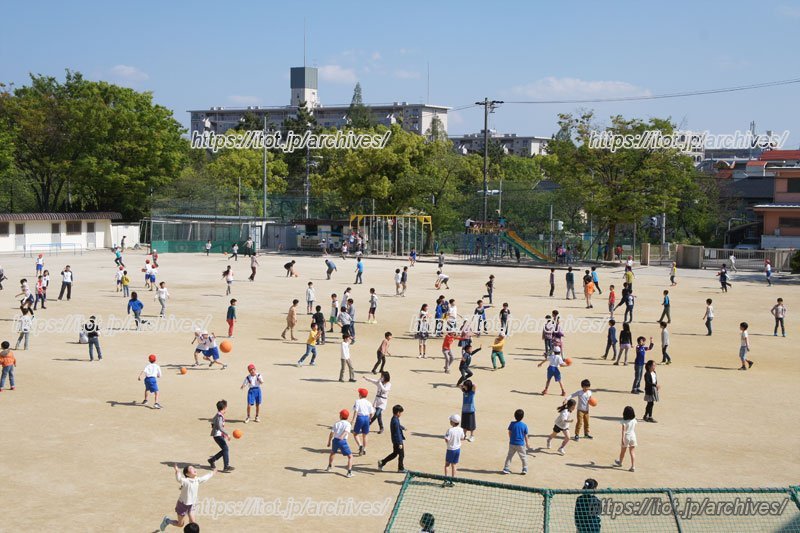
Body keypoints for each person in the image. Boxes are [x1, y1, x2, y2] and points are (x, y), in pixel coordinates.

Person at [158, 464, 215, 532]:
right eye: (191, 468)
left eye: (194, 468)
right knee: (180, 524)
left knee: (193, 524)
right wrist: (177, 470)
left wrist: (212, 473)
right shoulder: (186, 481)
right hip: (182, 505)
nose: (194, 469)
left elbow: (205, 477)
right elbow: (179, 479)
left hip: (191, 505)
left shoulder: (197, 480)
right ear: (187, 474)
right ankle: (167, 521)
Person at [378, 404, 406, 473]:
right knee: (401, 455)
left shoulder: (394, 419)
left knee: (394, 454)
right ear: (398, 413)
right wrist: (400, 443)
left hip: (395, 440)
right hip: (398, 441)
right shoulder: (395, 421)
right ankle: (400, 468)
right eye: (401, 413)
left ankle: (382, 462)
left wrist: (403, 427)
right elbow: (397, 432)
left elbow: (398, 426)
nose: (401, 414)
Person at [326, 409, 354, 478]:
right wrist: (342, 436)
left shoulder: (336, 423)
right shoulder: (348, 424)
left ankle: (329, 466)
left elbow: (331, 433)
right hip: (342, 441)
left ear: (341, 416)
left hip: (335, 440)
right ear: (347, 417)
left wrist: (329, 441)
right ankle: (349, 472)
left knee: (333, 453)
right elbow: (346, 431)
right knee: (350, 457)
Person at [208, 400, 234, 472]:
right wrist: (227, 434)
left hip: (218, 435)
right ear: (224, 408)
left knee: (225, 449)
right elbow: (220, 426)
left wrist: (214, 427)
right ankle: (226, 466)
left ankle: (212, 460)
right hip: (217, 435)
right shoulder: (220, 416)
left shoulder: (218, 414)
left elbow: (213, 421)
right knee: (226, 449)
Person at [502, 409, 530, 475]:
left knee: (509, 456)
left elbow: (509, 432)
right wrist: (527, 444)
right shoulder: (524, 425)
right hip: (521, 444)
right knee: (523, 457)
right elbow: (526, 436)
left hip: (512, 443)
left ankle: (506, 468)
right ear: (522, 417)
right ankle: (524, 468)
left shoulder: (512, 424)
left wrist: (511, 438)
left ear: (514, 416)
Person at [351, 388, 375, 456]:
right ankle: (364, 449)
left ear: (360, 395)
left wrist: (353, 420)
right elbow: (372, 412)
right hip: (366, 418)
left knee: (355, 433)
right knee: (365, 435)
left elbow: (356, 411)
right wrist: (370, 419)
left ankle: (360, 446)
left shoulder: (358, 401)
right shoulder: (369, 402)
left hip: (360, 418)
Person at [443, 414, 465, 485]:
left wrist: (448, 442)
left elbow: (446, 439)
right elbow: (462, 438)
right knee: (454, 465)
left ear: (452, 422)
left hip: (450, 450)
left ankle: (446, 480)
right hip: (457, 449)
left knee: (447, 465)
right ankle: (453, 480)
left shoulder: (450, 430)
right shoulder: (461, 429)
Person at [614, 406, 637, 472]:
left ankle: (620, 462)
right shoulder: (634, 420)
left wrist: (622, 439)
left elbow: (623, 431)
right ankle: (633, 466)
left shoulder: (623, 421)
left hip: (627, 436)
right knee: (632, 452)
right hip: (633, 436)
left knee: (623, 451)